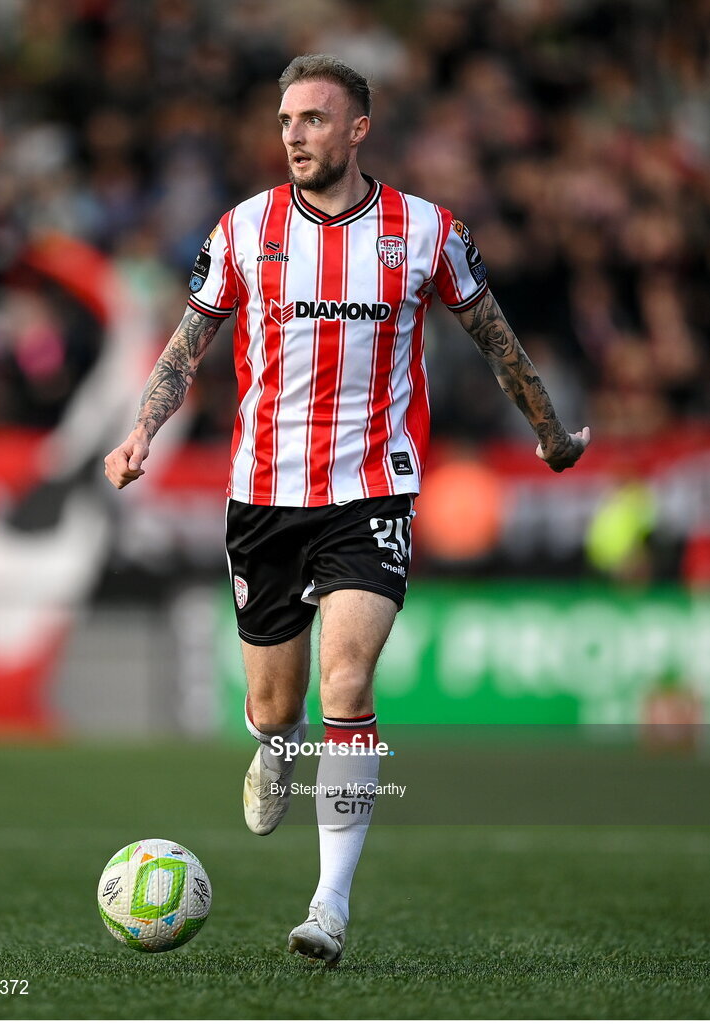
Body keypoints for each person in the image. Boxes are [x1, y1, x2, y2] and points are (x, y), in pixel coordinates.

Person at [104, 54, 590, 966]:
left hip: (372, 488)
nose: (294, 134)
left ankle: (327, 906)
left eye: (314, 119)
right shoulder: (245, 229)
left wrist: (550, 432)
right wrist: (140, 434)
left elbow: (494, 337)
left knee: (348, 687)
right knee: (274, 703)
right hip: (263, 495)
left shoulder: (426, 230)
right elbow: (187, 345)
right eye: (286, 119)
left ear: (358, 129)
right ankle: (271, 745)